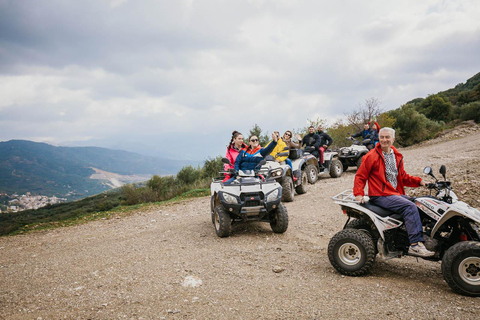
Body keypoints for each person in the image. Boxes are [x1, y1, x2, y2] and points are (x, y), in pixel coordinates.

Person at [353, 127, 434, 258]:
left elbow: (402, 176)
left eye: (387, 137)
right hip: (380, 194)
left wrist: (419, 182)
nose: (384, 140)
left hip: (394, 193)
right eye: (382, 137)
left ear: (393, 139)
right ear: (378, 138)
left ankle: (405, 236)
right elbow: (360, 176)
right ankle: (415, 245)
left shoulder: (396, 156)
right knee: (409, 207)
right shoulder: (371, 156)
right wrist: (358, 193)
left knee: (421, 204)